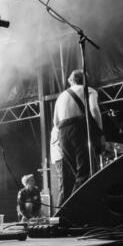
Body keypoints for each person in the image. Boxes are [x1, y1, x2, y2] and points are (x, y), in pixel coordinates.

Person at [52, 69, 104, 197]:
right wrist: (100, 131)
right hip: (79, 129)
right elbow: (94, 110)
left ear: (71, 81)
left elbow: (55, 122)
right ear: (85, 79)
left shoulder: (61, 96)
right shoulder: (89, 90)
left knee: (75, 174)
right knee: (86, 172)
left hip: (63, 133)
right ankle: (73, 207)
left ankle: (71, 206)